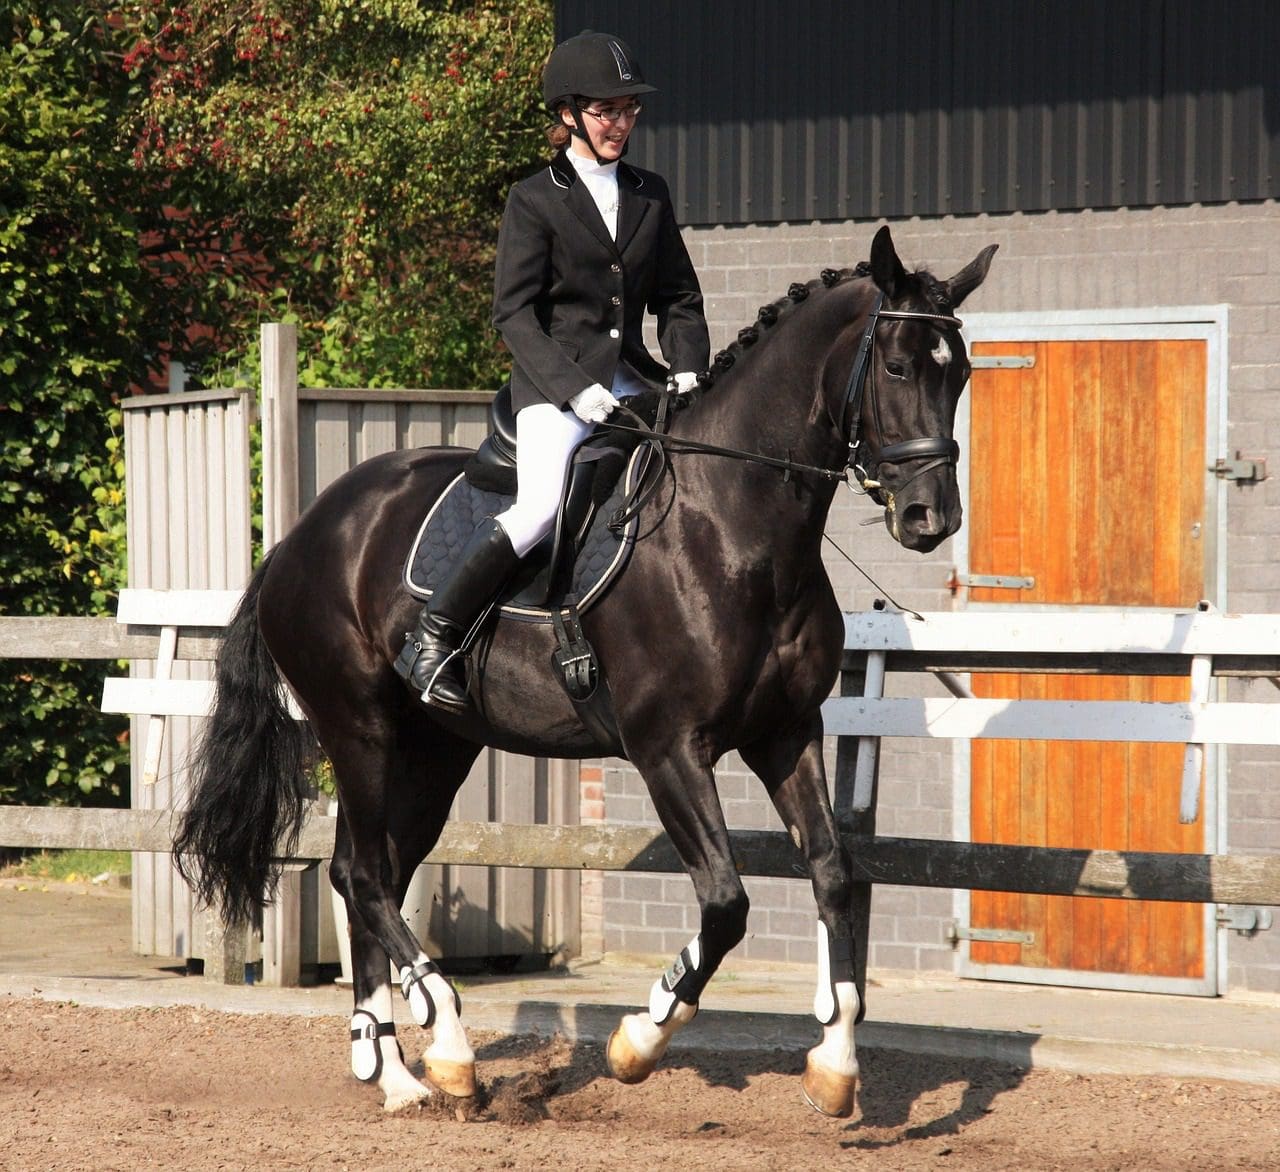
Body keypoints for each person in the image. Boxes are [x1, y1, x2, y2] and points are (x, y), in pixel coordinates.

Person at [396, 30, 711, 711]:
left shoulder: (650, 193)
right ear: (569, 114)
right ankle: (432, 636)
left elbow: (679, 298)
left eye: (629, 110)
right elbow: (513, 315)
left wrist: (689, 369)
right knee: (539, 508)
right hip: (551, 390)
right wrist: (575, 390)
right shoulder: (533, 200)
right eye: (607, 111)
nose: (620, 124)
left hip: (635, 379)